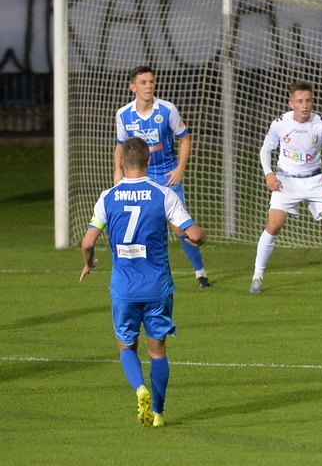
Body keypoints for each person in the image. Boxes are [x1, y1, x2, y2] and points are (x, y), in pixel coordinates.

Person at [80, 137, 207, 428]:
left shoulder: (107, 196)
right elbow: (195, 235)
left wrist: (89, 263)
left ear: (121, 162)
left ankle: (139, 388)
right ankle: (159, 414)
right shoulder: (164, 195)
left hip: (124, 288)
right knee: (157, 351)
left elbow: (88, 242)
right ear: (149, 161)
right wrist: (200, 236)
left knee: (126, 346)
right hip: (156, 287)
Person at [250, 80, 322, 293]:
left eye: (308, 100)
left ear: (313, 102)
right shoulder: (280, 123)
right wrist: (269, 174)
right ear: (291, 103)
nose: (304, 105)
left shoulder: (321, 124)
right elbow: (266, 150)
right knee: (273, 225)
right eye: (300, 101)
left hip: (316, 181)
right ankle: (257, 277)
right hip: (286, 181)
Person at [114, 65, 211, 288]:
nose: (149, 86)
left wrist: (180, 169)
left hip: (166, 176)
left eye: (151, 82)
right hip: (138, 176)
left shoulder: (167, 110)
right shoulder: (123, 114)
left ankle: (200, 272)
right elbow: (120, 146)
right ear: (133, 88)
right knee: (138, 225)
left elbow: (185, 139)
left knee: (181, 228)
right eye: (143, 83)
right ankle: (136, 273)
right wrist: (118, 171)